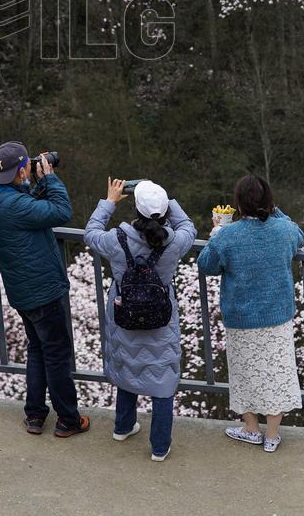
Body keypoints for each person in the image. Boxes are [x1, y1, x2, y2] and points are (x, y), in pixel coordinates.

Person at [0, 141, 90, 437]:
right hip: (44, 292)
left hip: (21, 292)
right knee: (56, 354)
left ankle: (35, 415)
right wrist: (49, 177)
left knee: (37, 349)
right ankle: (68, 419)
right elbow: (61, 210)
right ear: (21, 169)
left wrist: (26, 180)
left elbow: (19, 202)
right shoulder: (17, 205)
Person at [84, 177, 196, 461]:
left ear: (135, 208)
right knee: (162, 376)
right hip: (161, 316)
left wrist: (109, 202)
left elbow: (91, 232)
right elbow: (189, 228)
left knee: (126, 364)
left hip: (124, 312)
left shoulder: (115, 240)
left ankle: (123, 426)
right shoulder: (174, 243)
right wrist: (167, 199)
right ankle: (159, 447)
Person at [197, 174, 304, 453]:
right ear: (269, 201)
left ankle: (251, 429)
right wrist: (275, 211)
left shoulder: (229, 235)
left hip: (241, 317)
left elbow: (206, 264)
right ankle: (271, 436)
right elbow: (299, 235)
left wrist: (217, 232)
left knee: (245, 373)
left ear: (238, 204)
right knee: (277, 373)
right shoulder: (283, 230)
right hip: (277, 315)